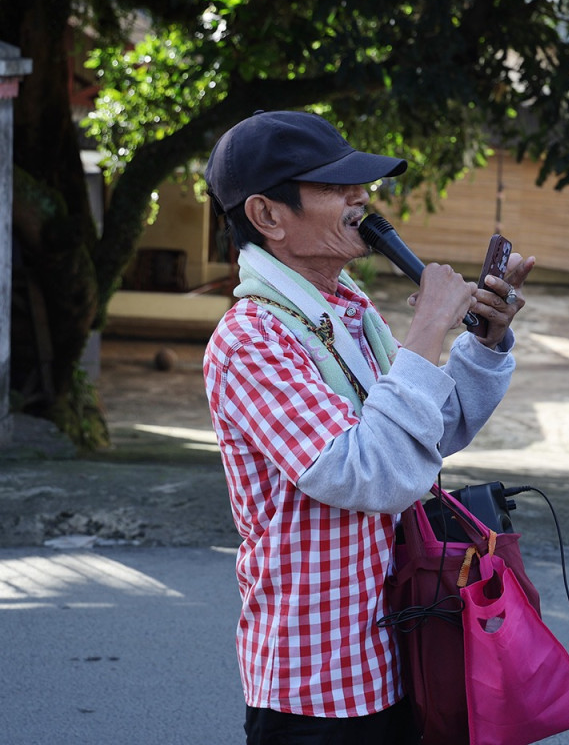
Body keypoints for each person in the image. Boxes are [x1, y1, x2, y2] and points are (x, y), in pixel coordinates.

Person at [201, 110, 536, 744]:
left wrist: (483, 340)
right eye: (334, 187)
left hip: (395, 650)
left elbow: (425, 434)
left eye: (359, 184)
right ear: (268, 216)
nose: (360, 199)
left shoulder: (348, 309)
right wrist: (426, 332)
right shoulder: (249, 341)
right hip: (315, 682)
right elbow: (362, 472)